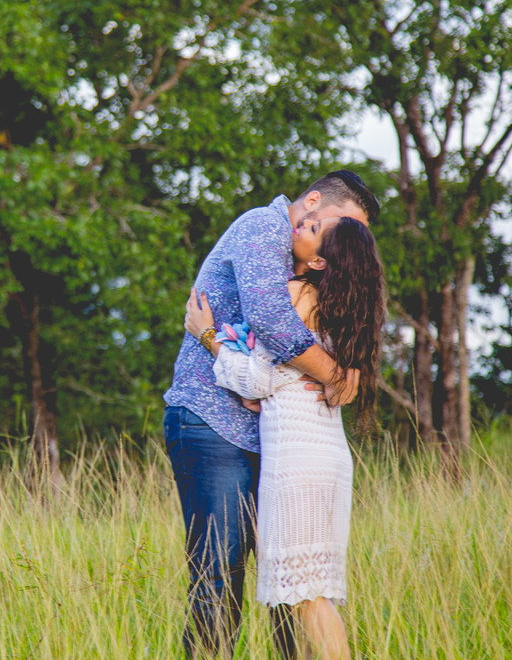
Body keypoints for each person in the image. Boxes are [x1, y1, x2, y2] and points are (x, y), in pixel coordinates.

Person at [162, 171, 380, 658]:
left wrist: (348, 373)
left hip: (275, 439)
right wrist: (338, 376)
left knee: (286, 586)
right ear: (313, 203)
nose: (351, 239)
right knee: (219, 574)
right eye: (344, 223)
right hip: (214, 423)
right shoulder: (263, 227)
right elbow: (271, 321)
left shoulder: (308, 275)